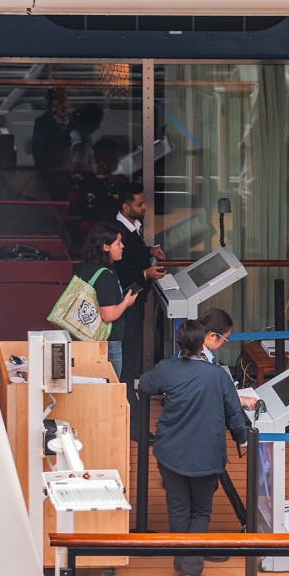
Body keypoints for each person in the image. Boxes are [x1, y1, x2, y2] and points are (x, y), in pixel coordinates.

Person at [138, 320, 249, 576]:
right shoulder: (218, 376)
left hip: (170, 452)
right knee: (200, 511)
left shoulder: (167, 369)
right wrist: (241, 438)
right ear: (202, 345)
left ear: (179, 344)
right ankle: (190, 572)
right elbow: (234, 413)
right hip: (206, 455)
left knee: (178, 509)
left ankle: (182, 556)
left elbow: (145, 386)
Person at [113, 184, 166, 439]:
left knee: (130, 355)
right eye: (139, 204)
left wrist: (149, 252)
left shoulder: (131, 229)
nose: (144, 208)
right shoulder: (118, 232)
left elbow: (131, 255)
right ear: (125, 207)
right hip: (127, 305)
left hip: (135, 301)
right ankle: (132, 423)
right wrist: (145, 273)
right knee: (128, 355)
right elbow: (119, 271)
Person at [78, 221, 138, 378]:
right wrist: (126, 302)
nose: (122, 246)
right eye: (118, 243)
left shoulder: (88, 267)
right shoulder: (105, 275)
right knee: (110, 389)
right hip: (107, 343)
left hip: (90, 339)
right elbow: (108, 315)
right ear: (106, 247)